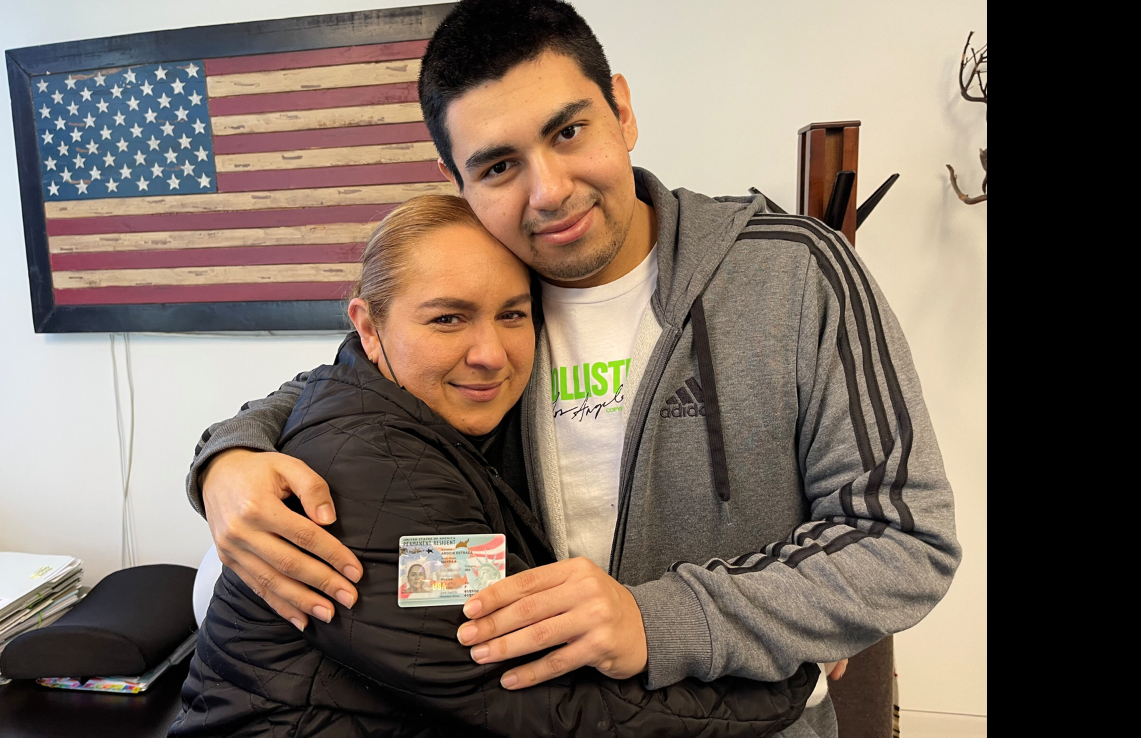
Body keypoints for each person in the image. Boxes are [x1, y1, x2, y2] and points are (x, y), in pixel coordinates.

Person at [188, 0, 960, 735]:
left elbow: (903, 538)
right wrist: (227, 458)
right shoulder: (489, 286)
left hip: (753, 725)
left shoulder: (796, 275)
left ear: (621, 110)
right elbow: (350, 383)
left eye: (566, 132)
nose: (549, 192)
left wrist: (664, 621)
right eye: (498, 167)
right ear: (458, 182)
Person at [171, 195, 818, 736]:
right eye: (448, 318)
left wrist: (231, 446)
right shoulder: (377, 478)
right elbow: (541, 698)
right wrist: (793, 676)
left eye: (512, 314)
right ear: (368, 328)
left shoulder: (392, 407)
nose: (489, 353)